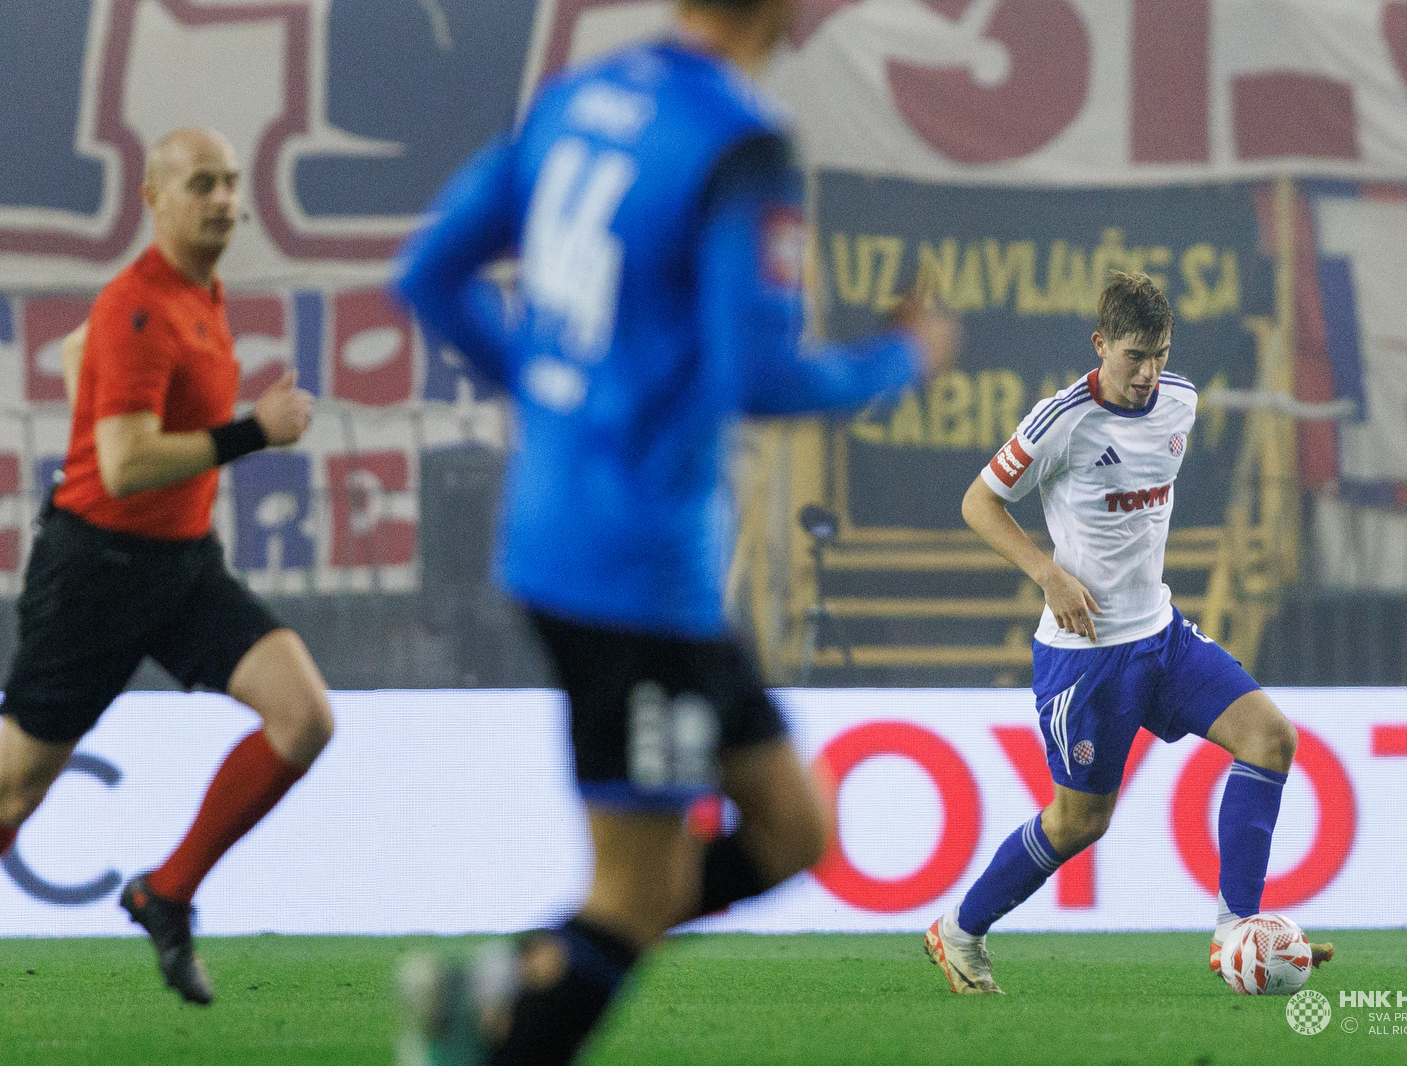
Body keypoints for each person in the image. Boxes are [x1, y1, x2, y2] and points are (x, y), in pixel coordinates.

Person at [392, 0, 956, 1060]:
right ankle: (499, 1017)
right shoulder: (738, 145)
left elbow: (429, 272)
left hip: (581, 543)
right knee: (636, 896)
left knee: (792, 831)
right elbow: (764, 375)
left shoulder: (577, 100)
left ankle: (512, 972)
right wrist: (904, 359)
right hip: (633, 572)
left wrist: (552, 394)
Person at [923, 271, 1332, 994]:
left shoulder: (1181, 401)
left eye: (1161, 354)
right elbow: (976, 503)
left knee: (1272, 737)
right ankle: (958, 931)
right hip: (1084, 661)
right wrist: (1048, 573)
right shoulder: (1060, 421)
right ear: (1100, 344)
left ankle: (1237, 930)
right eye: (1134, 355)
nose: (1148, 373)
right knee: (1080, 822)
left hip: (1161, 637)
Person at [0, 128, 332, 1006]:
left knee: (304, 719)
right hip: (96, 576)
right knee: (14, 790)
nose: (223, 199)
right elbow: (121, 467)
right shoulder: (140, 304)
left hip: (182, 570)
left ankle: (167, 891)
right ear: (154, 198)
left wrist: (103, 418)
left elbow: (80, 358)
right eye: (201, 184)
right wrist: (252, 432)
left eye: (229, 183)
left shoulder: (196, 296)